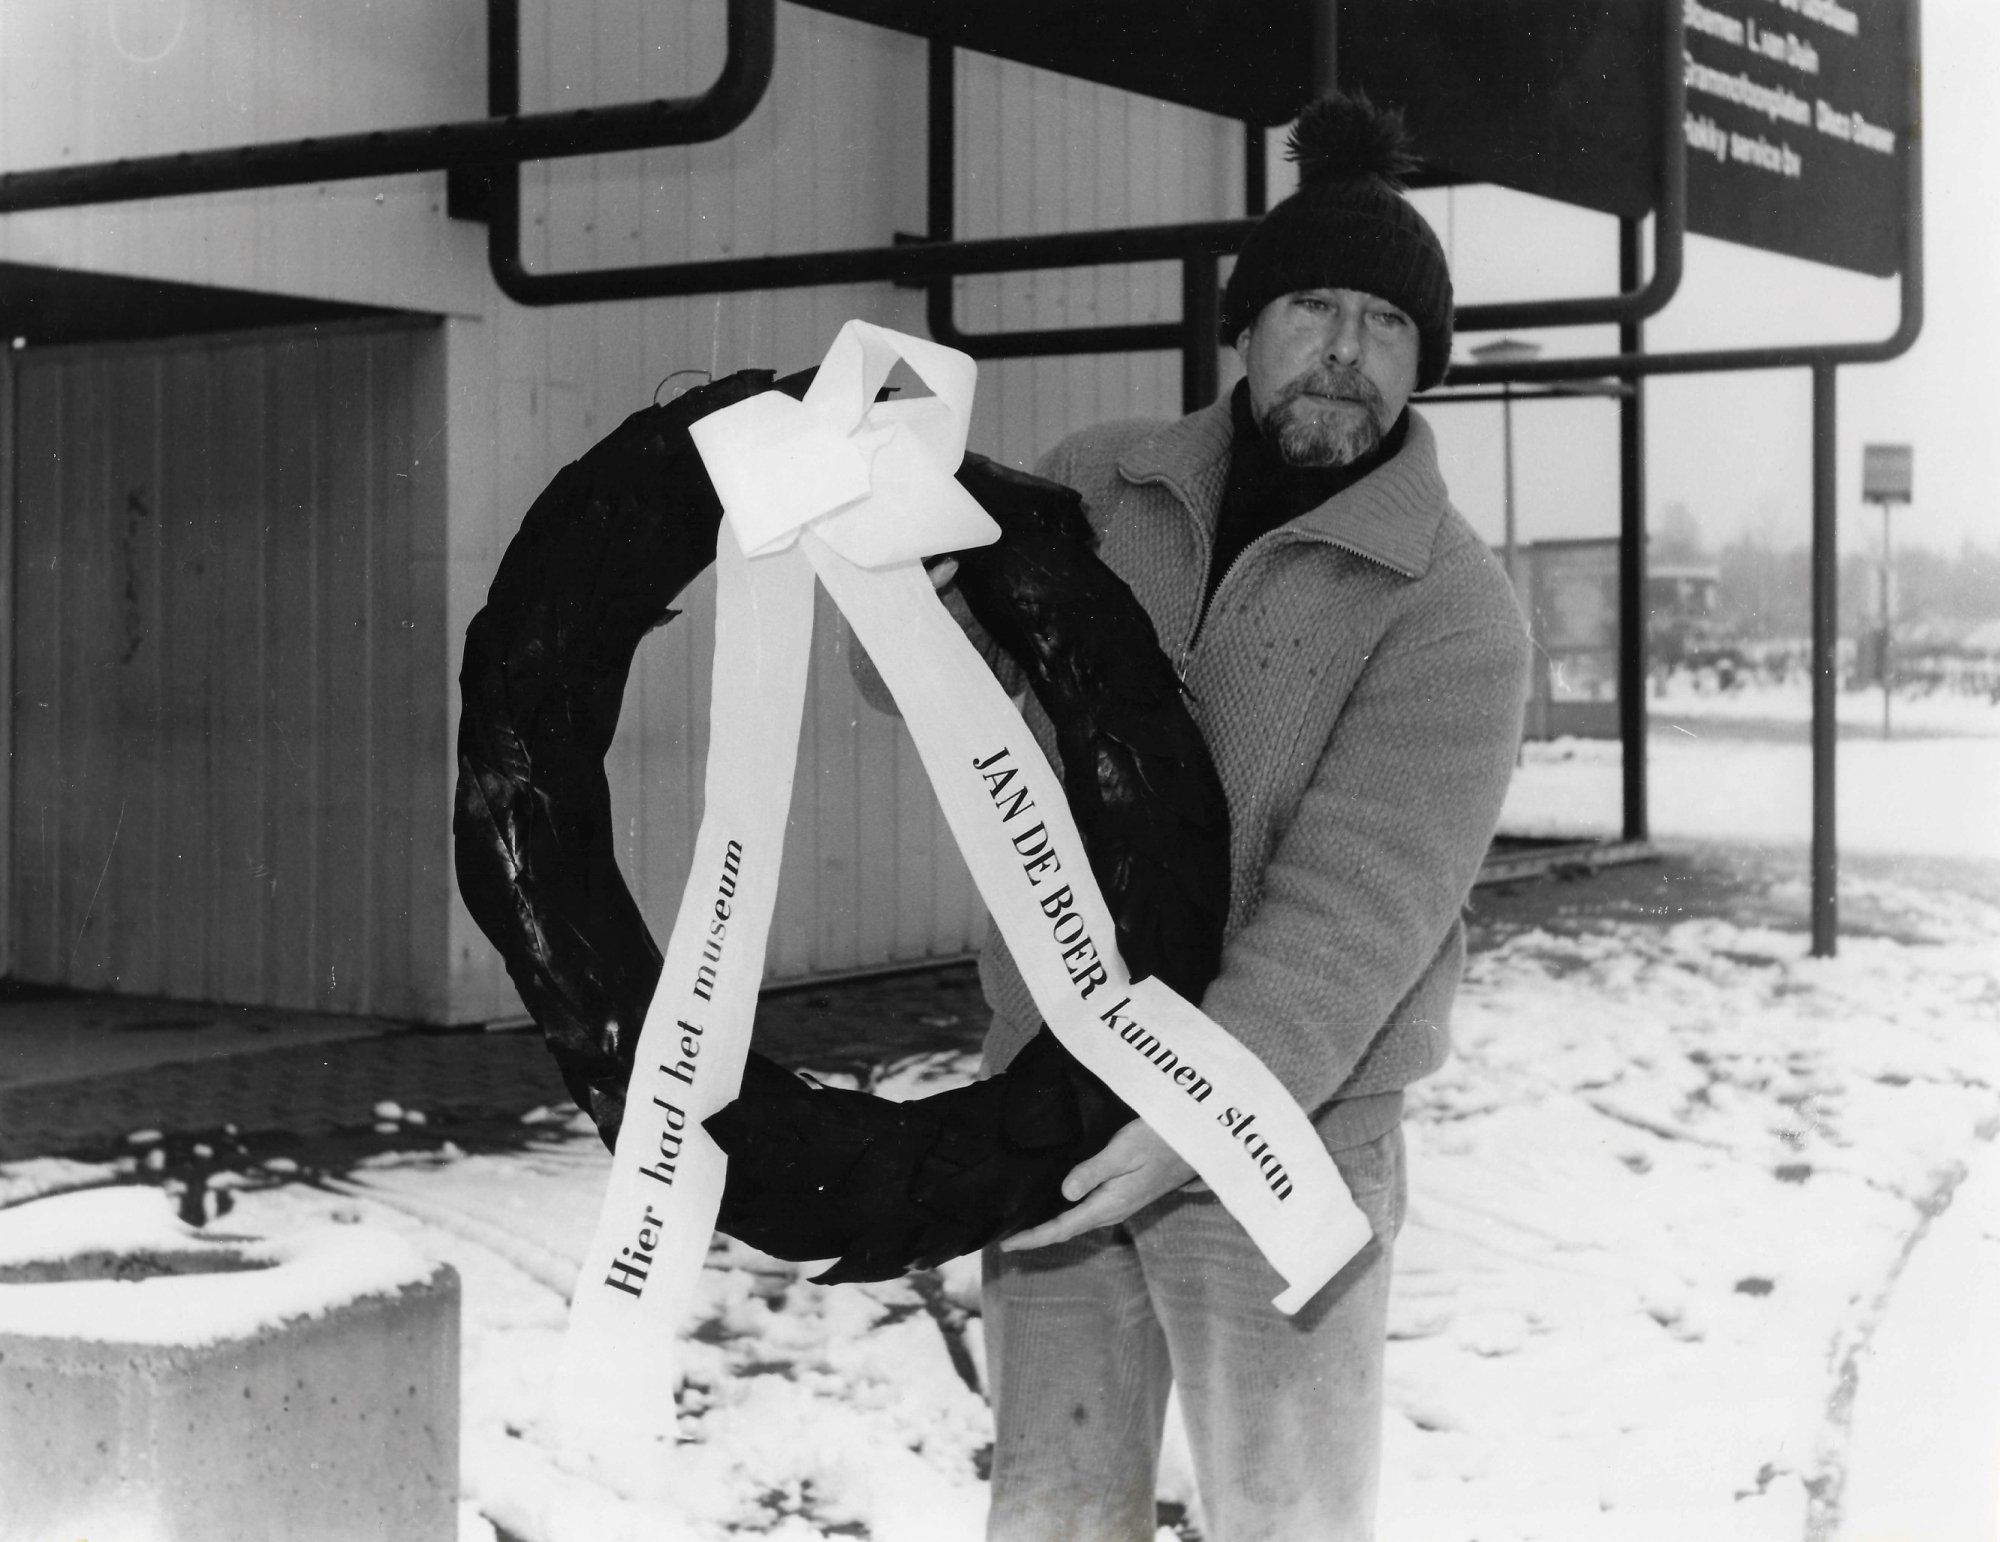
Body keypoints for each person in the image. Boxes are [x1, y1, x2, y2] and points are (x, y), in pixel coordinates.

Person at [872, 90, 1529, 1541]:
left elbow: (1356, 909)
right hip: (1050, 1091)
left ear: (1425, 361)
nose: (1346, 350)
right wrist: (904, 587)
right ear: (1243, 326)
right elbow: (908, 685)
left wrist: (1198, 1117)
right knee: (1050, 1508)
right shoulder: (1098, 482)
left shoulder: (1452, 608)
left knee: (1285, 1516)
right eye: (1313, 307)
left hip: (1289, 1132)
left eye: (1388, 323)